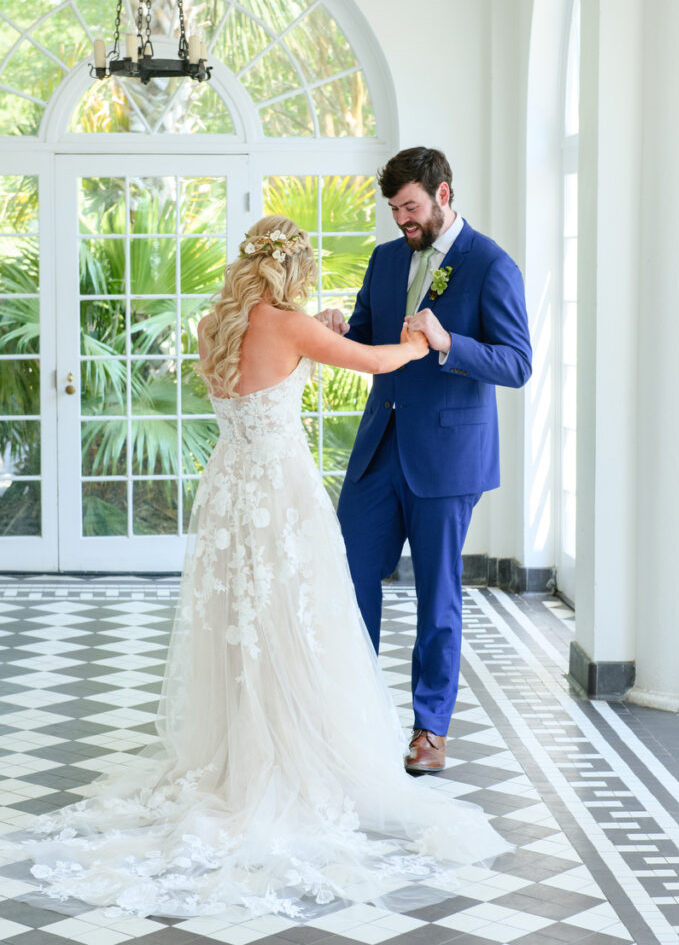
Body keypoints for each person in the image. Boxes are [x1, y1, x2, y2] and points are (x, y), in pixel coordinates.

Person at [3, 214, 510, 921]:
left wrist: (321, 329)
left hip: (228, 492)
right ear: (290, 269)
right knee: (292, 621)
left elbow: (272, 365)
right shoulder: (288, 325)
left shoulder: (213, 324)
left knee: (236, 624)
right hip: (280, 493)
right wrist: (417, 338)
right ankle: (292, 756)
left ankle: (236, 748)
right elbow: (373, 364)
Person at [319, 147, 532, 774]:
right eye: (393, 210)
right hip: (378, 451)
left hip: (448, 457)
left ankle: (429, 730)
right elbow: (364, 337)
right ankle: (350, 716)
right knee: (348, 580)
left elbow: (517, 363)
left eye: (410, 207)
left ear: (443, 195)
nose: (401, 221)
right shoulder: (386, 259)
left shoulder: (491, 264)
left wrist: (449, 342)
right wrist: (336, 329)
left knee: (438, 597)